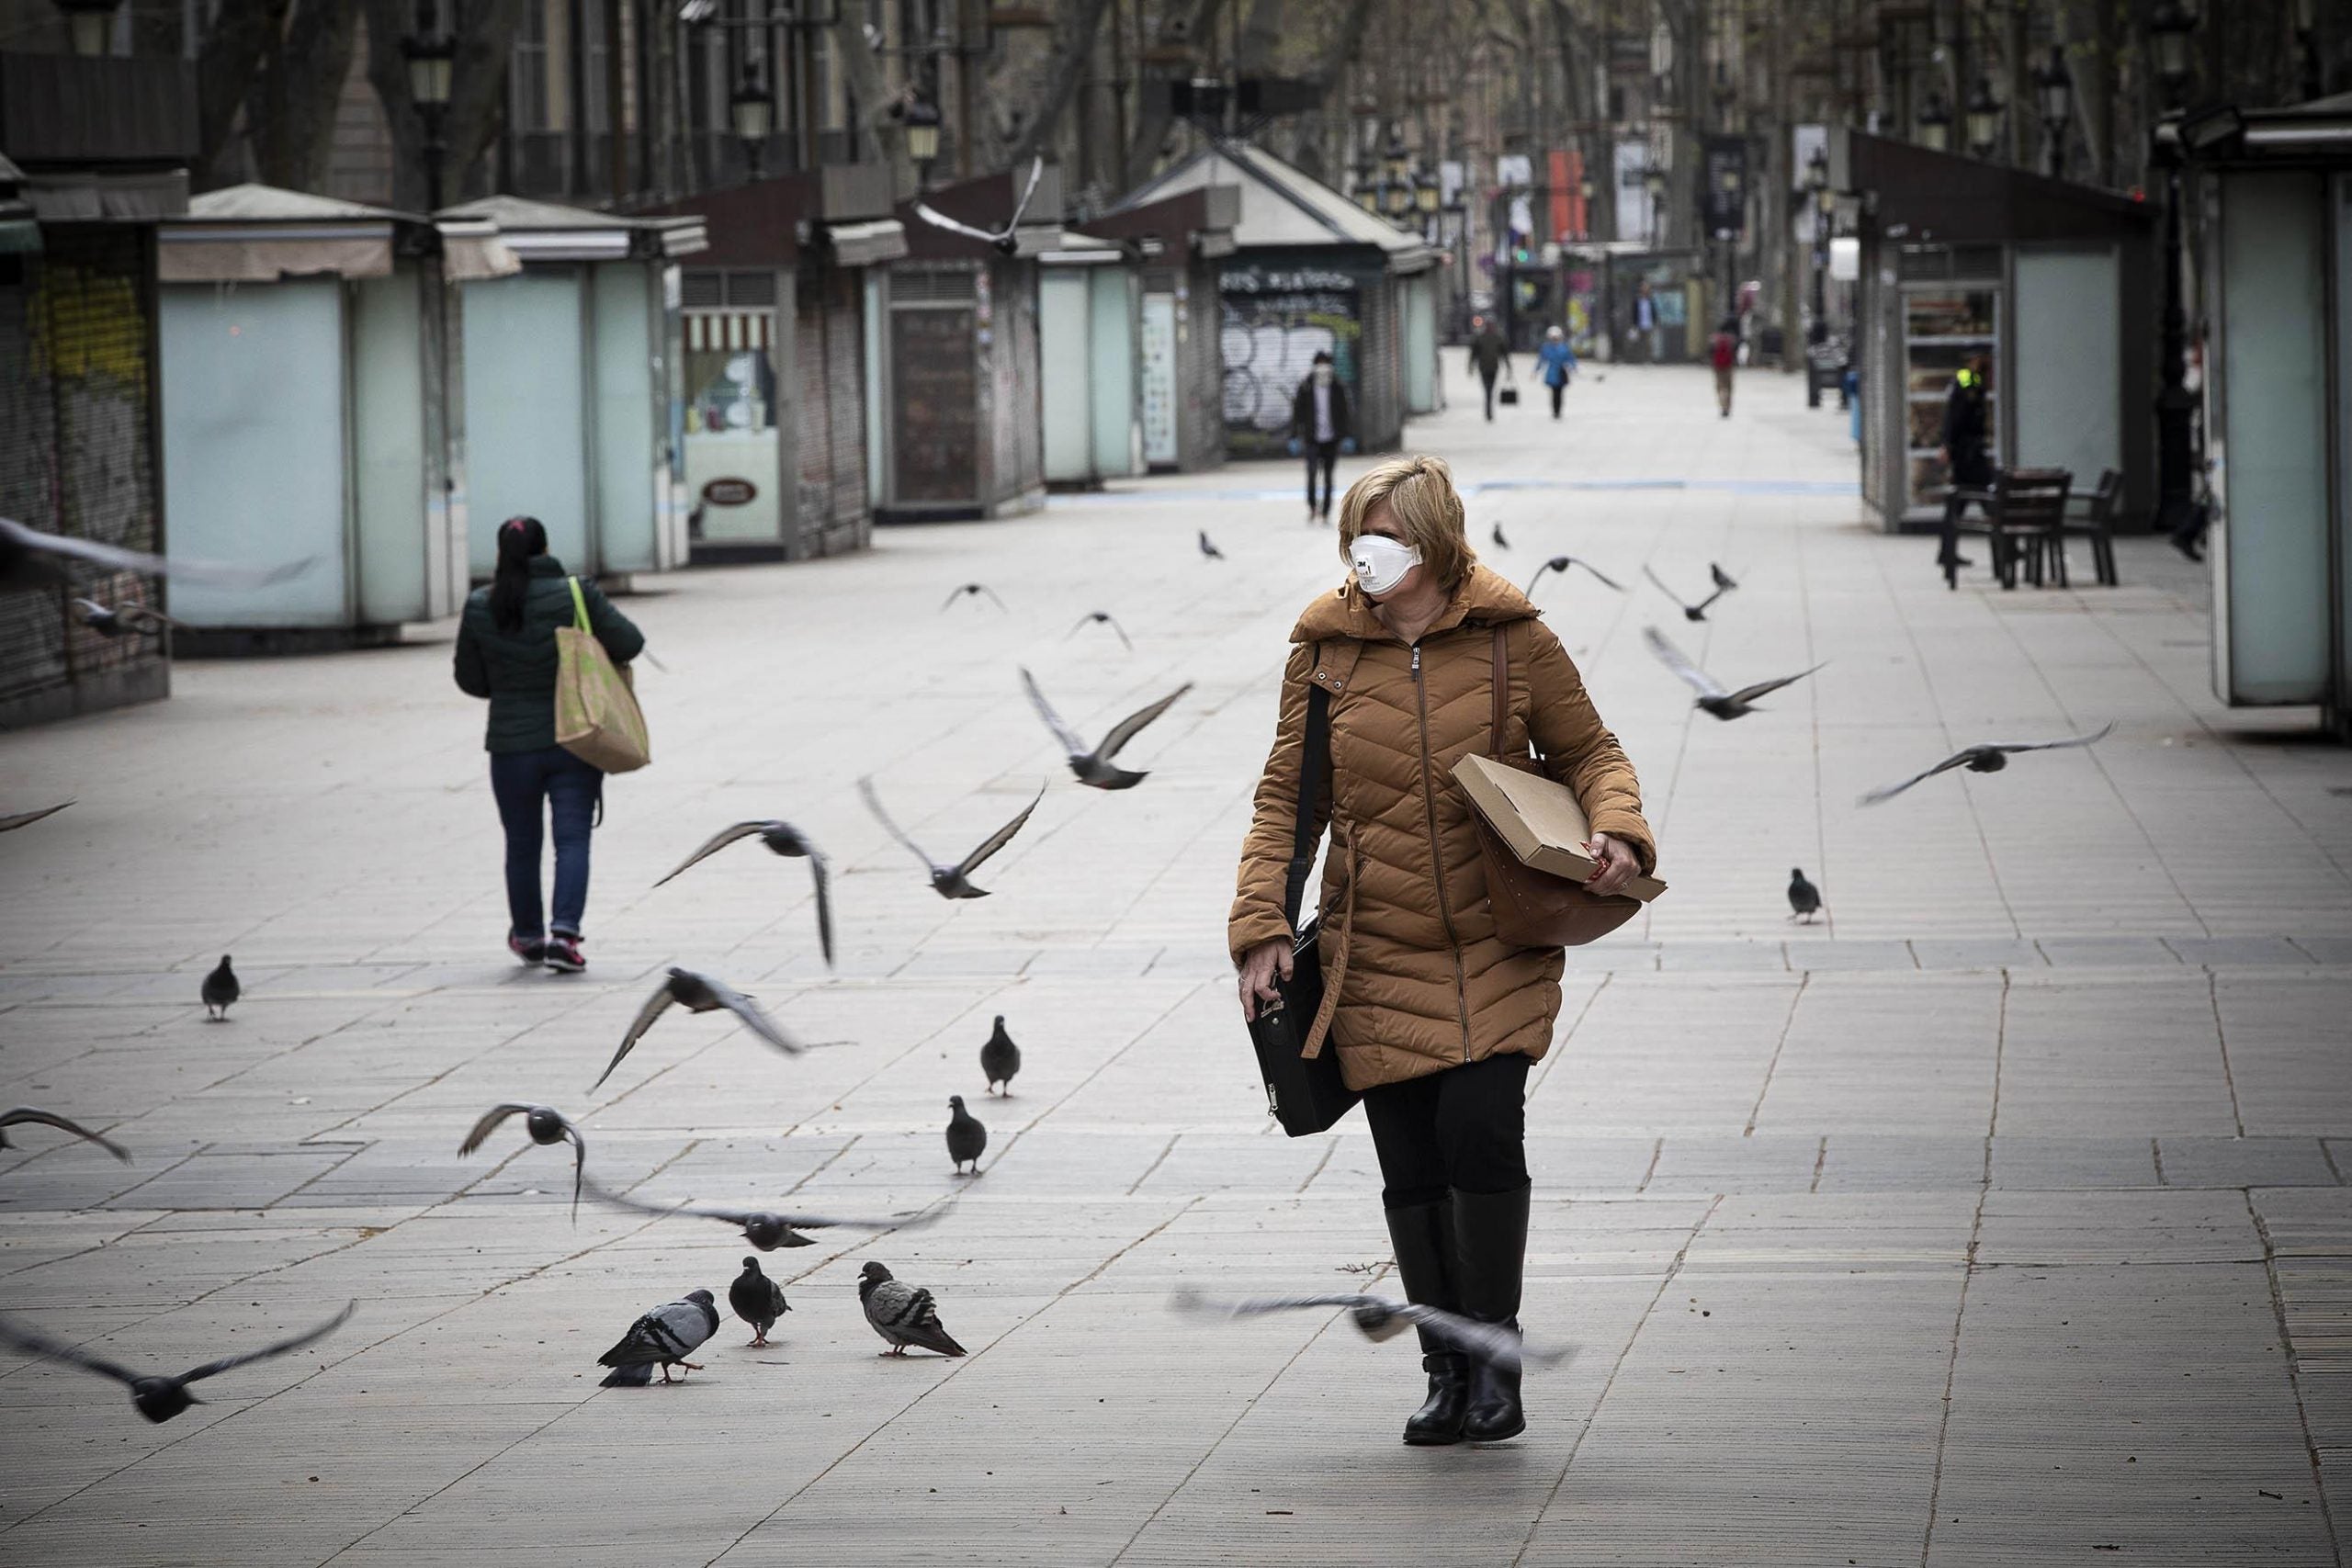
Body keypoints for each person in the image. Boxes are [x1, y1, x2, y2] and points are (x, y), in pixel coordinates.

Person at [1230, 455, 1654, 1449]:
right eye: (1355, 534)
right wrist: (1257, 928)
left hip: (1492, 940)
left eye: (1383, 532)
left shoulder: (1513, 638)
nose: (1364, 552)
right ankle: (1443, 1368)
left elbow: (1592, 751)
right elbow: (1286, 804)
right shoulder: (1325, 652)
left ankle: (1495, 1362)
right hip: (1372, 947)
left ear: (1432, 540)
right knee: (1412, 1165)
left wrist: (1620, 831)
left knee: (1480, 1133)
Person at [453, 516, 644, 973]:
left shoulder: (481, 604)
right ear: (546, 548)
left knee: (521, 842)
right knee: (572, 838)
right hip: (575, 737)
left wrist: (510, 685)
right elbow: (631, 642)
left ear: (501, 554)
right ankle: (564, 934)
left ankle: (527, 935)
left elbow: (470, 678)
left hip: (510, 744)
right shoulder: (576, 593)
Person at [1937, 354, 1993, 588]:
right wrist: (1948, 445)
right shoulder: (1969, 382)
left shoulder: (1968, 379)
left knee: (1960, 506)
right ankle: (2005, 547)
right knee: (1984, 501)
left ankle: (1947, 552)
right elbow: (1957, 416)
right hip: (1968, 455)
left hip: (1966, 453)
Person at [1289, 351, 1354, 525]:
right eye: (1319, 364)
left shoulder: (1337, 387)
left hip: (1331, 440)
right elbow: (1298, 412)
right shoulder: (1306, 386)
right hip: (1312, 439)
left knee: (1328, 476)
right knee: (1311, 474)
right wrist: (1294, 435)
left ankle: (1325, 511)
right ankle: (1312, 507)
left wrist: (1346, 435)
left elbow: (1344, 412)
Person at [1467, 315, 1512, 421]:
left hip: (1494, 367)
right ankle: (1489, 411)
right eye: (1488, 325)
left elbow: (1504, 354)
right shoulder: (1480, 337)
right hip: (1483, 367)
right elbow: (1473, 354)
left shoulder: (1498, 337)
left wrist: (1508, 368)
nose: (1490, 326)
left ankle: (1489, 410)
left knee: (1490, 390)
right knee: (1487, 390)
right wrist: (1470, 367)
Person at [1534, 325, 1577, 419]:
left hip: (1562, 373)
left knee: (1560, 393)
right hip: (1552, 374)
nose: (1555, 339)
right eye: (1553, 338)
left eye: (1557, 338)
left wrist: (1573, 367)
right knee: (1554, 393)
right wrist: (1536, 371)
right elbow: (1541, 360)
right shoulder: (1546, 348)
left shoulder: (1564, 347)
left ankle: (1558, 410)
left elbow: (1571, 358)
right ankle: (1555, 411)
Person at [1708, 315, 1738, 417]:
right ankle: (1727, 407)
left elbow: (1710, 352)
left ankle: (1722, 406)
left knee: (1720, 387)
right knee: (1729, 387)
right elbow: (1735, 352)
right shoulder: (1731, 339)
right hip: (1729, 365)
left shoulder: (1714, 338)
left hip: (1717, 366)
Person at [1629, 280, 1657, 364]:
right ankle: (1639, 359)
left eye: (1647, 287)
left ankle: (1648, 359)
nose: (1645, 289)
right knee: (1639, 343)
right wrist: (1634, 324)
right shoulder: (1637, 300)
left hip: (1649, 324)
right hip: (1639, 324)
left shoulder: (1651, 300)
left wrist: (1655, 322)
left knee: (1648, 343)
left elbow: (1654, 312)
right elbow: (1634, 313)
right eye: (1643, 287)